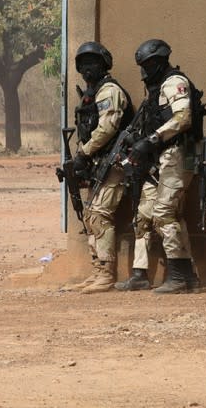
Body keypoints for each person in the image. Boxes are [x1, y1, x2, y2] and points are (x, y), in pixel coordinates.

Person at [114, 38, 201, 294]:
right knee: (143, 215)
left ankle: (179, 275)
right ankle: (141, 274)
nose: (144, 70)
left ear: (161, 61)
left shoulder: (175, 83)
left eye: (149, 64)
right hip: (158, 160)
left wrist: (151, 140)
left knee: (165, 214)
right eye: (142, 65)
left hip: (177, 155)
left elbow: (183, 118)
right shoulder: (156, 90)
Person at [63, 41, 134, 294]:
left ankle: (107, 274)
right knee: (91, 217)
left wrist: (84, 153)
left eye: (92, 63)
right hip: (98, 163)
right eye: (83, 64)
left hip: (114, 162)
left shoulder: (109, 91)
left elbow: (107, 128)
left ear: (104, 64)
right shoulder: (90, 94)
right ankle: (98, 271)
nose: (87, 68)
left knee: (100, 215)